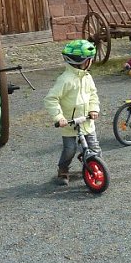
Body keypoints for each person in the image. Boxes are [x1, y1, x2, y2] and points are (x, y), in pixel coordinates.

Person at [44, 39, 100, 186]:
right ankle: (63, 169)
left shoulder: (87, 77)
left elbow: (93, 94)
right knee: (70, 149)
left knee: (95, 148)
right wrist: (59, 117)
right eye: (89, 59)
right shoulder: (65, 80)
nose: (91, 62)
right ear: (81, 61)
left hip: (86, 121)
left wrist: (94, 109)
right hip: (70, 124)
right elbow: (51, 99)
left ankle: (94, 165)